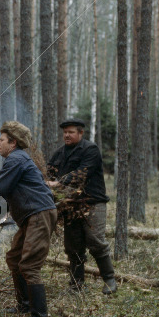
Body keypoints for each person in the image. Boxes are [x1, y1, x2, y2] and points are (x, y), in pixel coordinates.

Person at [0, 121, 58, 317]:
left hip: (38, 215)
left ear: (12, 143)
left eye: (1, 140)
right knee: (14, 258)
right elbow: (6, 198)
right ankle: (25, 305)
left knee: (29, 265)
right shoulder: (18, 160)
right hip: (33, 216)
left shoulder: (16, 160)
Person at [47, 118, 117, 294]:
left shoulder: (90, 150)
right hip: (70, 205)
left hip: (92, 203)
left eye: (71, 132)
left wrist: (59, 183)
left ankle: (109, 280)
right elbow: (48, 172)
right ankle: (76, 285)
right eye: (65, 132)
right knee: (73, 244)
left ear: (81, 133)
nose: (67, 135)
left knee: (95, 241)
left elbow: (82, 173)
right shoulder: (59, 153)